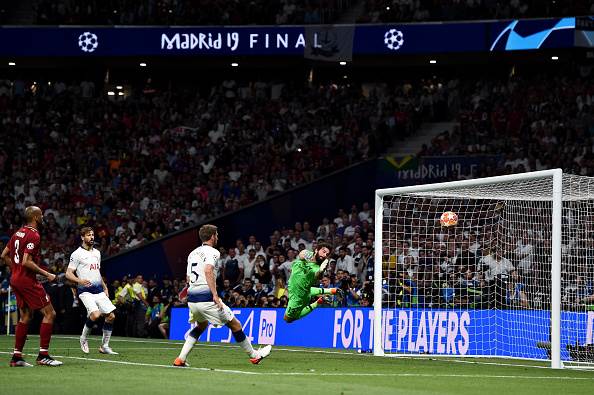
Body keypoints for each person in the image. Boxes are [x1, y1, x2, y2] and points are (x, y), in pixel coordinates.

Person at [172, 224, 271, 367]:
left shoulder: (192, 253)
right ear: (212, 237)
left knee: (201, 325)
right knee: (235, 325)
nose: (217, 237)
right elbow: (207, 270)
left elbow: (188, 278)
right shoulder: (213, 252)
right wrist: (215, 295)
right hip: (206, 298)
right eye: (216, 235)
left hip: (192, 299)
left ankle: (180, 359)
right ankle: (254, 356)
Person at [0, 206, 63, 366]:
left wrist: (15, 270)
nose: (42, 217)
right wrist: (47, 274)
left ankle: (16, 358)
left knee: (26, 316)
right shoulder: (33, 235)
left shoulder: (17, 233)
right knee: (50, 313)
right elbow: (26, 261)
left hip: (15, 279)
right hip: (27, 281)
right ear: (35, 217)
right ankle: (43, 355)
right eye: (41, 214)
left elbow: (3, 255)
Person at [65, 226, 118, 355]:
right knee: (95, 314)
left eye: (92, 235)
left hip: (99, 290)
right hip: (85, 291)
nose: (92, 237)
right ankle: (83, 338)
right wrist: (79, 281)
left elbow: (97, 272)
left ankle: (104, 346)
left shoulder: (97, 253)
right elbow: (68, 273)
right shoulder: (77, 254)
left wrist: (105, 287)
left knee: (111, 316)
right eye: (88, 235)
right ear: (82, 237)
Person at [283, 243, 343, 323]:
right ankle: (331, 291)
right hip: (300, 288)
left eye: (327, 254)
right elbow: (302, 254)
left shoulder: (318, 267)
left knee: (288, 319)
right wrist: (309, 259)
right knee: (307, 289)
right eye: (323, 251)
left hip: (298, 297)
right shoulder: (308, 254)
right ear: (316, 250)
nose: (325, 254)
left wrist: (321, 270)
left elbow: (318, 276)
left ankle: (316, 303)